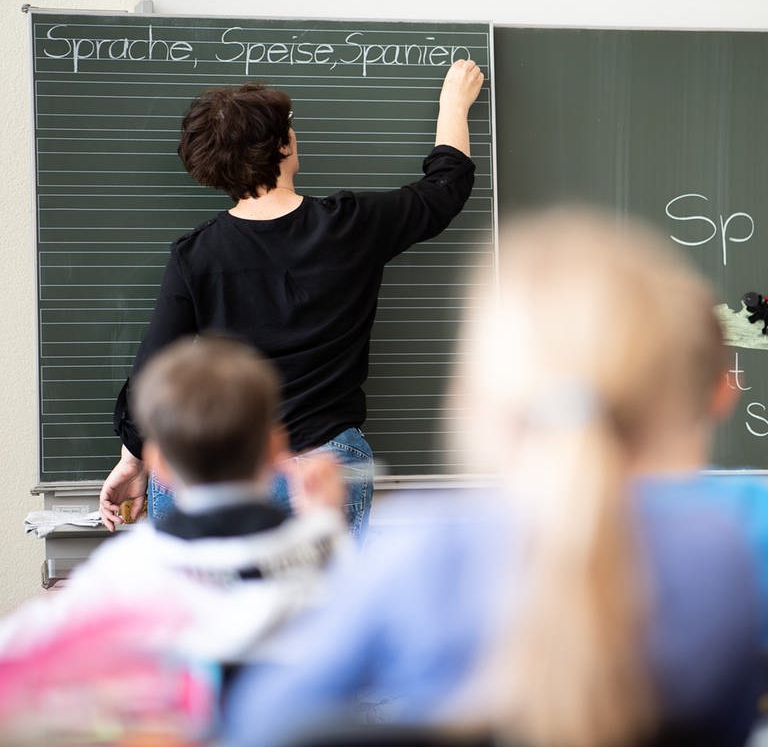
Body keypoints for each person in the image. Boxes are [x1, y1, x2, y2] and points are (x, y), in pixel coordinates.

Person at [222, 207, 763, 747]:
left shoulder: (423, 550)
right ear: (668, 402)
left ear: (473, 401)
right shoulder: (716, 555)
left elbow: (264, 725)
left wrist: (324, 532)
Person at [98, 59, 485, 537]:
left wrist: (132, 459)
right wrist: (453, 103)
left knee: (207, 611)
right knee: (324, 609)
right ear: (283, 145)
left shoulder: (195, 255)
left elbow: (152, 377)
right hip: (322, 467)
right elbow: (442, 192)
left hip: (212, 470)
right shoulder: (351, 226)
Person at [0, 335, 350, 742]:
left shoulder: (128, 567)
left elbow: (17, 650)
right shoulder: (321, 550)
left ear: (157, 463)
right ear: (275, 447)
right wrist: (325, 516)